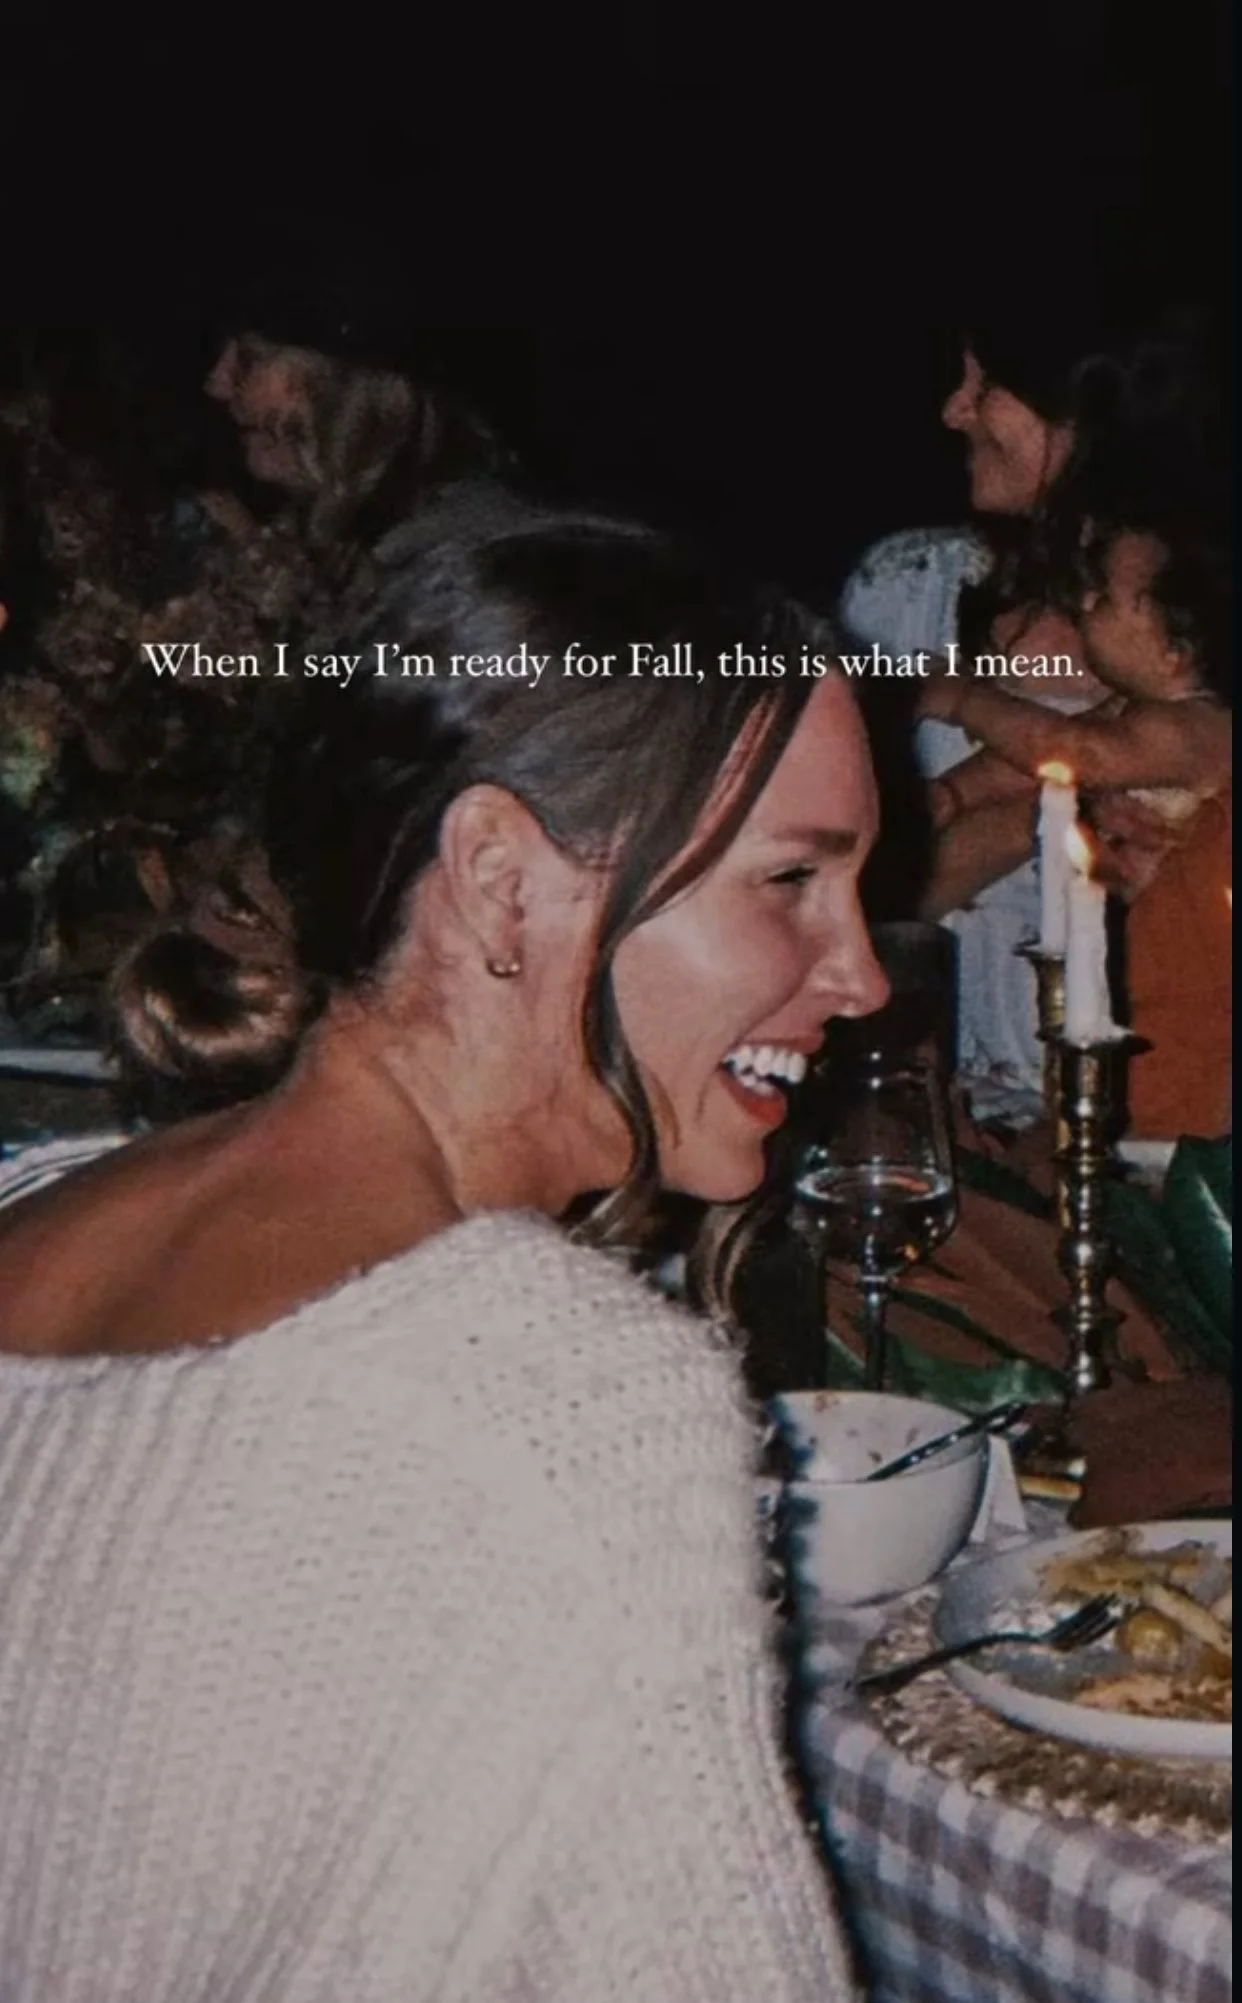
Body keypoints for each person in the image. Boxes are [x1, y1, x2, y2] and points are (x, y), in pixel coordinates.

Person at [0, 498, 884, 2000]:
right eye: (789, 879)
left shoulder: (44, 1202)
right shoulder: (557, 1406)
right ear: (498, 879)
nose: (859, 972)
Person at [840, 299, 1224, 1112]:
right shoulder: (912, 593)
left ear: (1086, 407)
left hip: (1173, 1100)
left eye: (986, 383)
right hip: (952, 1110)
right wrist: (1042, 811)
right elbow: (857, 899)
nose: (954, 409)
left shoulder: (1207, 631)